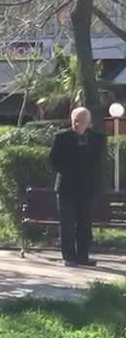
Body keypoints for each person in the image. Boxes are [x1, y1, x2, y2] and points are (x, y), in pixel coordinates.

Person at [48, 107, 106, 267]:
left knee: (84, 224)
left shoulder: (97, 138)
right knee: (66, 224)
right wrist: (68, 170)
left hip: (86, 187)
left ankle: (83, 256)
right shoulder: (62, 137)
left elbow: (97, 161)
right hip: (66, 187)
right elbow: (53, 161)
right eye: (75, 121)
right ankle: (69, 257)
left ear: (88, 122)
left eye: (81, 121)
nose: (77, 124)